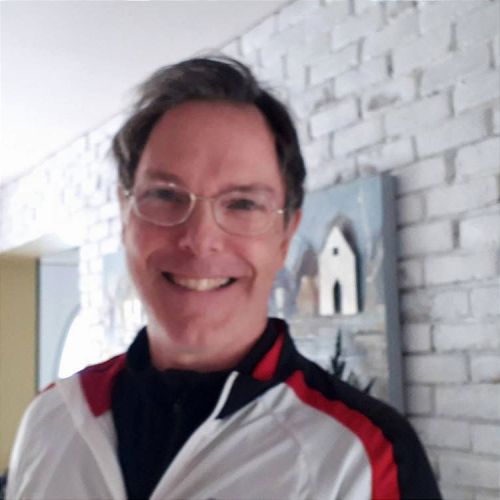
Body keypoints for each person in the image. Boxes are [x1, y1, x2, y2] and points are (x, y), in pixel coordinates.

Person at [6, 56, 441, 500]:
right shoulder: (50, 420)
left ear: (285, 235)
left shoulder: (367, 456)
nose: (199, 240)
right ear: (125, 214)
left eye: (243, 204)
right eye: (165, 195)